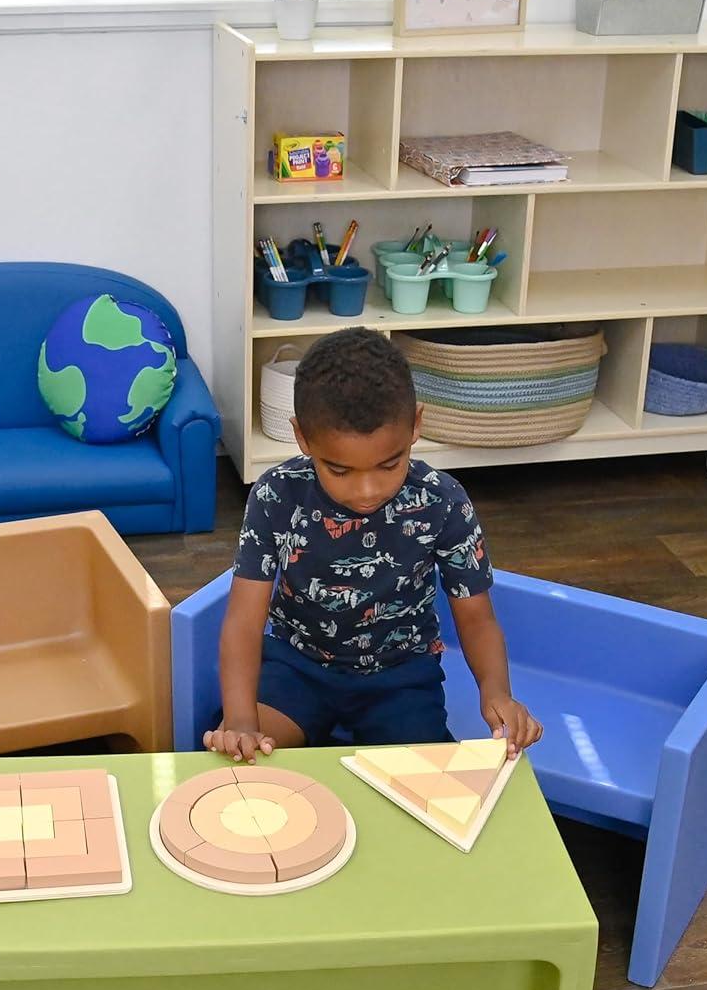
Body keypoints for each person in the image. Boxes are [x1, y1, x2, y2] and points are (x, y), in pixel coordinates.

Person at [206, 326, 542, 764]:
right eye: (339, 470)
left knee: (426, 784)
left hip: (400, 679)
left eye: (389, 464)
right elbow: (244, 622)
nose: (366, 490)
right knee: (241, 759)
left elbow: (476, 618)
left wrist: (497, 693)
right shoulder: (276, 495)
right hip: (297, 668)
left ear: (416, 425)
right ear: (303, 437)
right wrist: (240, 721)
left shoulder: (443, 501)